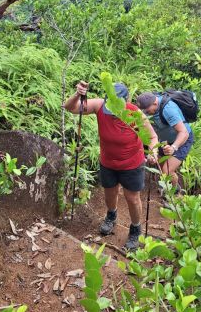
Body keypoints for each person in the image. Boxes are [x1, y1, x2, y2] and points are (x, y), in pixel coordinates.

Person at [64, 81, 158, 251]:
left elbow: (152, 137)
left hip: (131, 164)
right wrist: (78, 94)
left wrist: (152, 153)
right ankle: (111, 215)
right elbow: (70, 107)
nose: (112, 111)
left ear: (124, 102)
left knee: (132, 198)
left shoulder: (135, 113)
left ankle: (135, 228)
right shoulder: (100, 106)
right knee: (110, 191)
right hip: (108, 162)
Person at [135, 92, 194, 193]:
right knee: (163, 169)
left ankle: (175, 195)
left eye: (148, 110)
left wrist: (174, 147)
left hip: (182, 139)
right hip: (165, 140)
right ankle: (172, 189)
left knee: (167, 171)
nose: (146, 113)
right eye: (144, 110)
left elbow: (183, 132)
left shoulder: (168, 109)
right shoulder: (150, 106)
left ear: (154, 103)